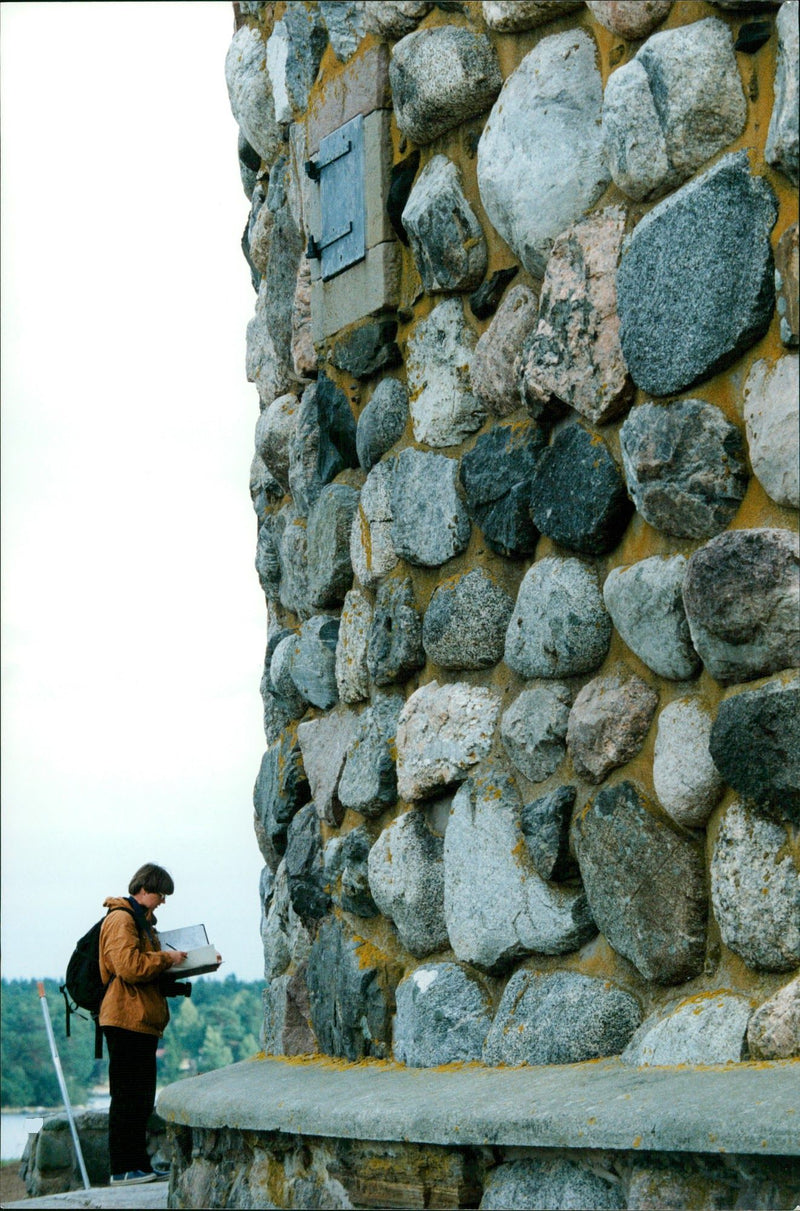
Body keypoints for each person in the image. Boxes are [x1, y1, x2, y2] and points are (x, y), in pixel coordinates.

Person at [98, 862, 189, 1186]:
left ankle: (138, 1165)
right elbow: (129, 967)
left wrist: (192, 964)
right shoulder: (121, 919)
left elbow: (145, 970)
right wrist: (167, 958)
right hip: (125, 1019)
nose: (163, 901)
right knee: (127, 1096)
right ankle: (122, 1168)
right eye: (161, 894)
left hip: (140, 1021)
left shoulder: (141, 922)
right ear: (145, 888)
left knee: (140, 1097)